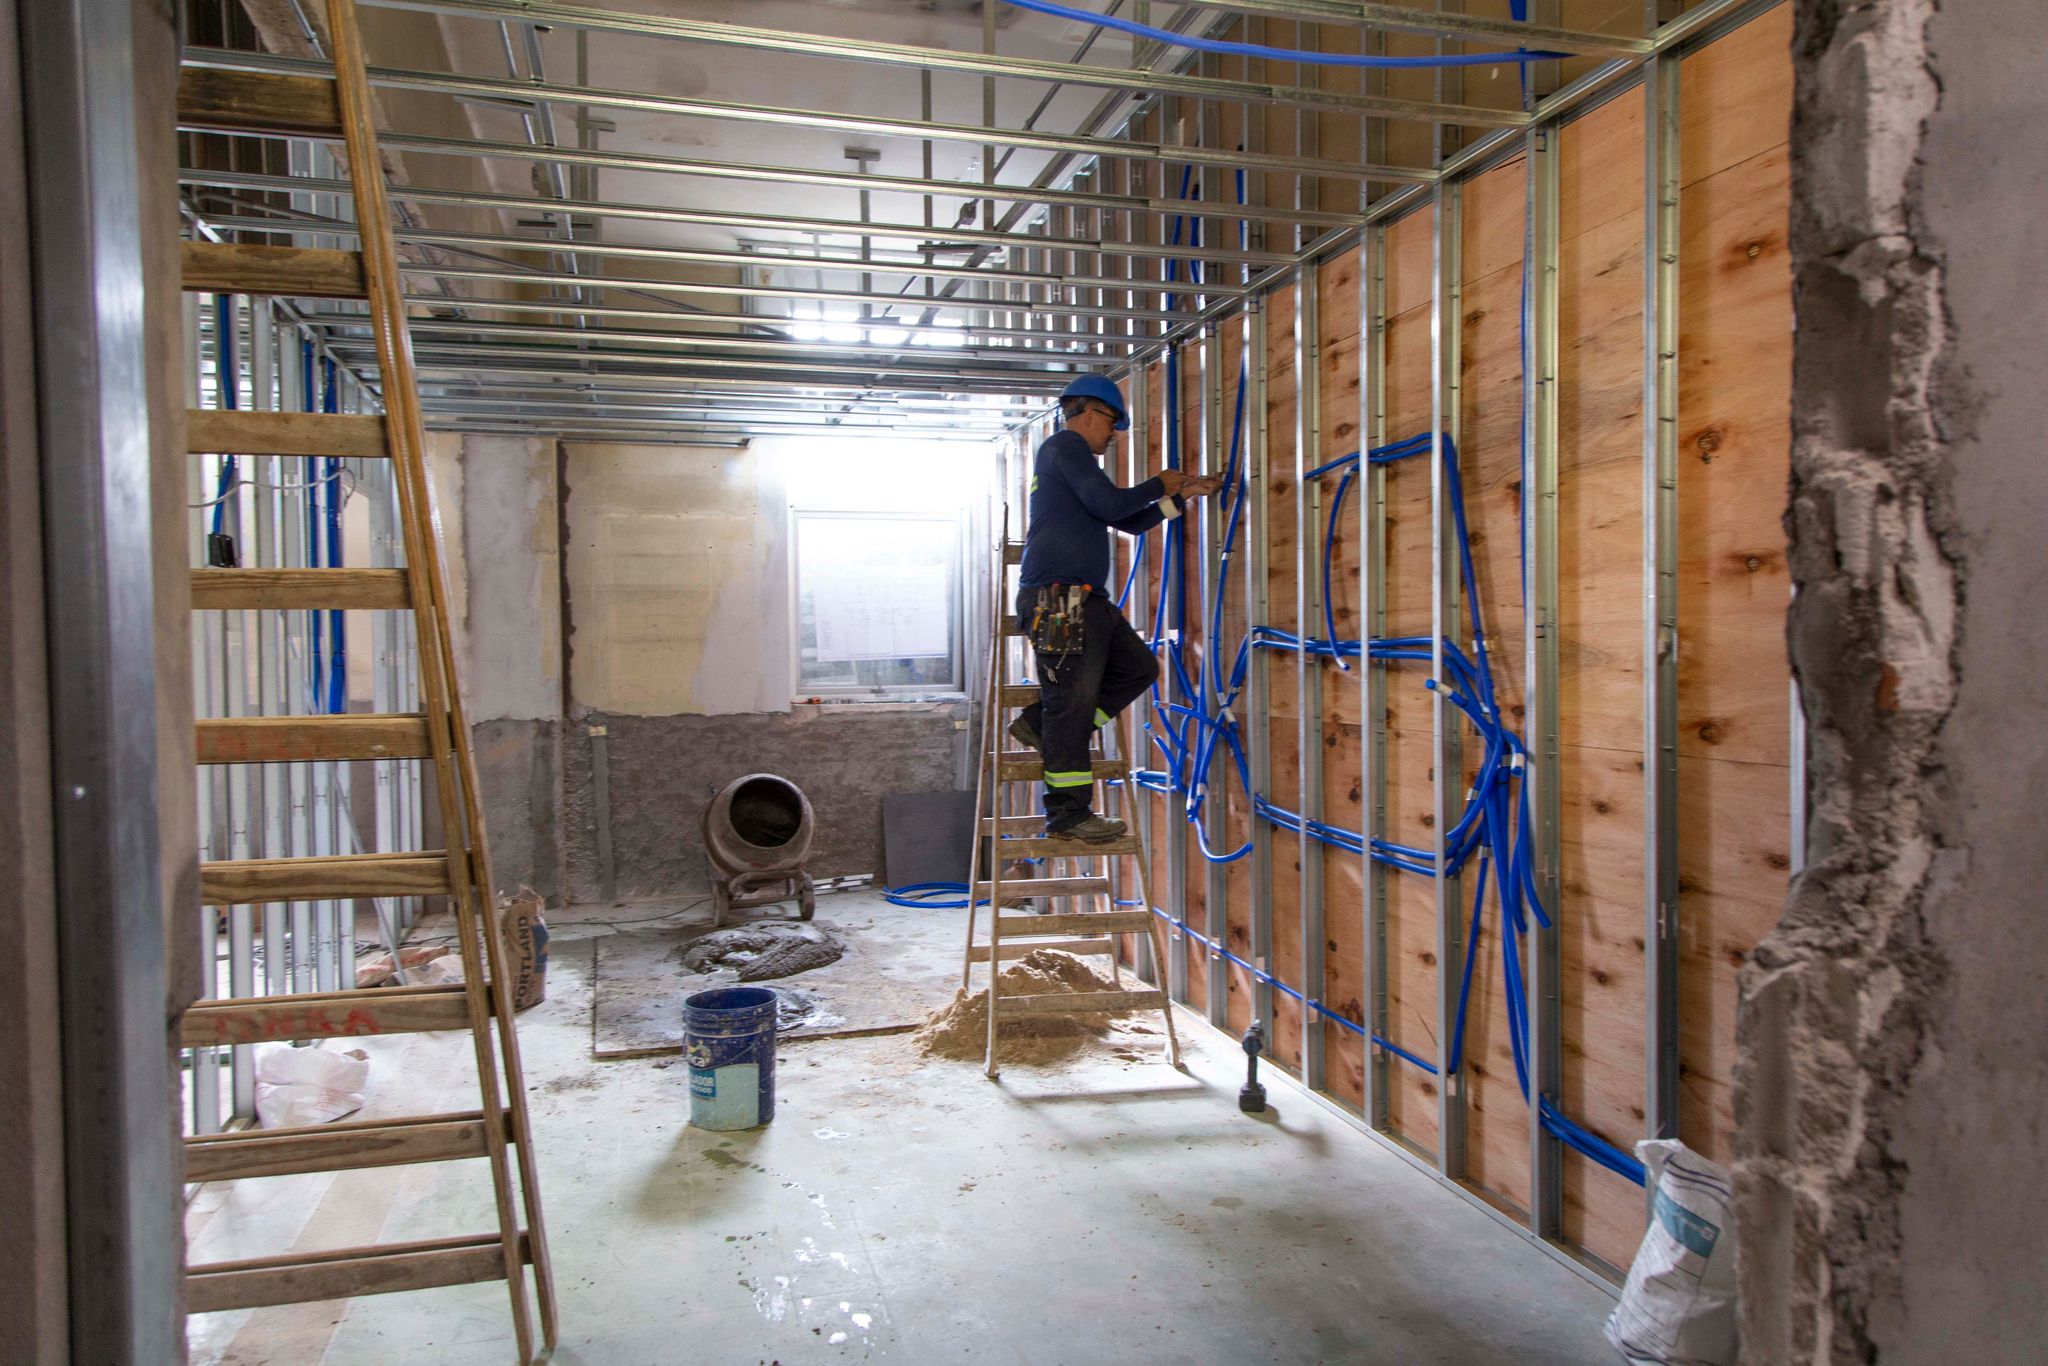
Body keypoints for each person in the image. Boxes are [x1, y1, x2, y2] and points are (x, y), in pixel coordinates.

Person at [1011, 374, 1222, 843]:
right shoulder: (1065, 447)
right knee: (1069, 708)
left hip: (1082, 599)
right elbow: (1110, 505)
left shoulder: (1073, 461)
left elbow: (1128, 522)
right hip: (1058, 600)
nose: (1113, 433)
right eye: (1111, 423)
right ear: (1089, 414)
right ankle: (1068, 815)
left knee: (1138, 669)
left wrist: (1180, 496)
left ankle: (1041, 724)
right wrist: (1158, 483)